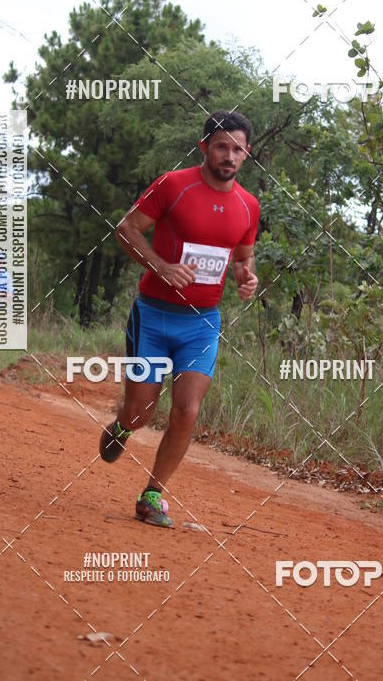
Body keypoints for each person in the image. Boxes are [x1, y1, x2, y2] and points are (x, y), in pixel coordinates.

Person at [100, 110, 260, 528]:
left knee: (187, 410)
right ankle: (123, 426)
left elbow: (242, 259)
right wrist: (160, 266)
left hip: (202, 324)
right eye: (222, 147)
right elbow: (126, 229)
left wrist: (246, 279)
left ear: (246, 154)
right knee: (140, 412)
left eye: (238, 149)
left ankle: (152, 494)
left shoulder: (248, 206)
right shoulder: (173, 185)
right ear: (204, 146)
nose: (229, 156)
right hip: (153, 317)